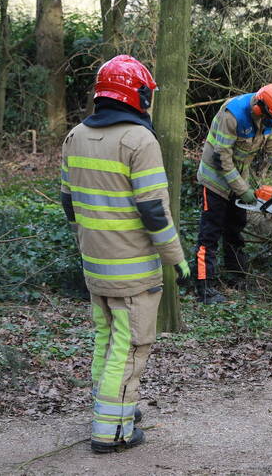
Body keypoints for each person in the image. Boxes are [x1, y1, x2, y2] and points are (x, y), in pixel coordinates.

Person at [60, 55, 189, 453]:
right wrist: (176, 257)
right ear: (139, 96)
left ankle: (114, 409)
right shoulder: (139, 140)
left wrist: (93, 241)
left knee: (106, 341)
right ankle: (111, 432)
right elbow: (154, 210)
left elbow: (68, 203)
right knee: (131, 347)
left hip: (95, 267)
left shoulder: (75, 136)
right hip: (133, 272)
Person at [193, 83, 272, 301]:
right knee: (210, 232)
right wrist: (243, 190)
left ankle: (236, 276)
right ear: (259, 108)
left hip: (239, 176)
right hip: (215, 178)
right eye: (271, 119)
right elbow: (222, 158)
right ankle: (203, 285)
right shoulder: (233, 115)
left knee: (235, 229)